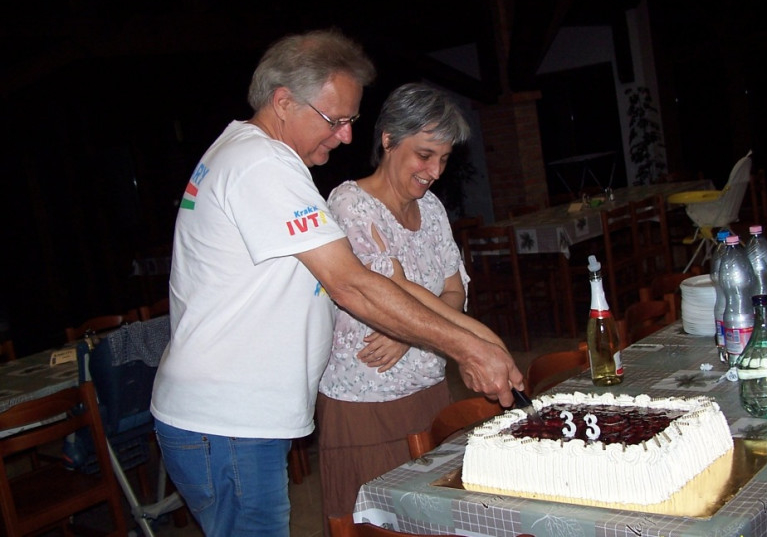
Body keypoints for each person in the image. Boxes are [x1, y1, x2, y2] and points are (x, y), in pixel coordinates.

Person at [150, 29, 524, 537]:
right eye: (335, 120)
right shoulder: (262, 164)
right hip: (227, 419)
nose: (347, 136)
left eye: (351, 121)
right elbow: (352, 285)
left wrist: (481, 341)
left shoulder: (254, 156)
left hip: (229, 417)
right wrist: (467, 349)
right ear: (284, 102)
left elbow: (382, 283)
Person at [317, 83, 474, 523]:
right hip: (367, 405)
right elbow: (378, 296)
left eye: (444, 158)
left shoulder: (433, 209)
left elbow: (456, 292)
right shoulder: (351, 204)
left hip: (432, 395)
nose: (435, 171)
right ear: (388, 139)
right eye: (425, 155)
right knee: (379, 524)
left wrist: (410, 336)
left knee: (439, 522)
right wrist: (419, 327)